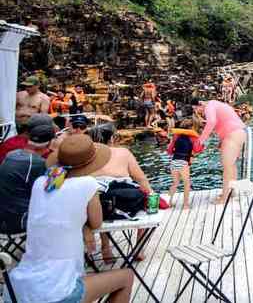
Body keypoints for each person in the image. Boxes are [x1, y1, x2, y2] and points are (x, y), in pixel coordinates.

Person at [8, 134, 134, 303]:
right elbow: (96, 222)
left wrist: (83, 227)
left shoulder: (41, 183)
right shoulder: (87, 184)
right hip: (56, 292)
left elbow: (56, 211)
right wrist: (88, 227)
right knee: (126, 276)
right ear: (91, 163)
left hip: (18, 289)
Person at [49, 133, 154, 263]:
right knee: (144, 199)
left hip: (92, 213)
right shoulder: (122, 152)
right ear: (111, 138)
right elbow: (140, 178)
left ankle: (106, 247)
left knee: (99, 200)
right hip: (127, 206)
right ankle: (139, 247)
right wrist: (151, 195)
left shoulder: (73, 165)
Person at [0, 116, 54, 235]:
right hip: (17, 221)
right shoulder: (37, 163)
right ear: (50, 142)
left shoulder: (12, 154)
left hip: (4, 215)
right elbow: (52, 189)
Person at [192, 99, 247, 204]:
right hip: (238, 133)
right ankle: (231, 192)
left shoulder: (209, 106)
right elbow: (225, 121)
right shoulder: (217, 104)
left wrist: (200, 140)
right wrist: (221, 140)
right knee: (231, 165)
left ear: (200, 104)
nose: (198, 112)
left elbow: (211, 122)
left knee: (227, 167)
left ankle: (224, 198)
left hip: (232, 135)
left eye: (196, 109)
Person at [166, 119, 203, 209]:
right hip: (183, 162)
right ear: (191, 127)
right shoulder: (193, 137)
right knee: (187, 183)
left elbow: (169, 151)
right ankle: (185, 205)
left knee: (175, 183)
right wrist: (202, 145)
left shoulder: (176, 136)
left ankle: (168, 202)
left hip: (174, 161)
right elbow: (197, 149)